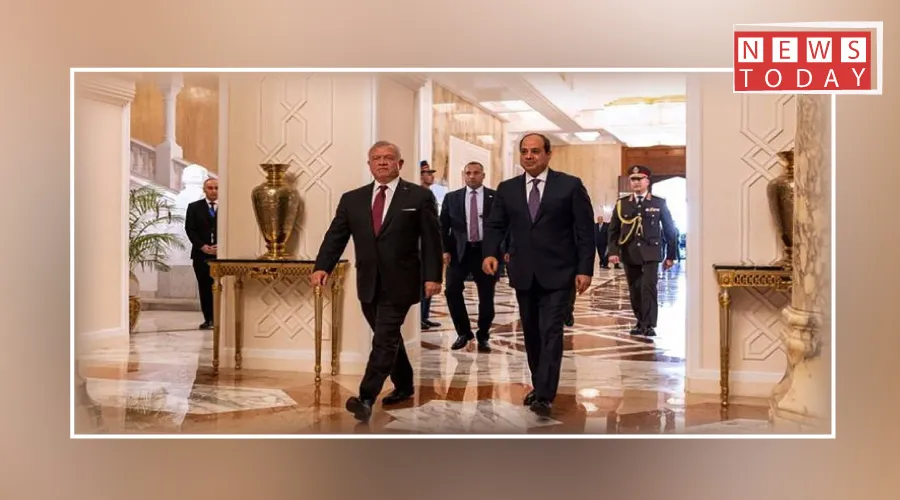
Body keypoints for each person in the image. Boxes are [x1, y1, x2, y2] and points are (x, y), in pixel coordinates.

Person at [311, 141, 443, 422]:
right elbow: (336, 235)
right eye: (376, 158)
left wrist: (433, 276)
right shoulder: (352, 199)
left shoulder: (419, 196)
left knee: (384, 338)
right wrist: (322, 266)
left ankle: (366, 397)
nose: (382, 162)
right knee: (389, 337)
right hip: (368, 282)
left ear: (399, 164)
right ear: (369, 164)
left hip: (402, 281)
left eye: (388, 158)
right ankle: (404, 384)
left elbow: (432, 239)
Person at [482, 132, 595, 417]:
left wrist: (585, 269)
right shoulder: (507, 189)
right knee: (531, 333)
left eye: (535, 151)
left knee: (551, 331)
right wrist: (490, 252)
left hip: (560, 272)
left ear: (548, 154)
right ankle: (539, 385)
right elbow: (495, 225)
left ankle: (544, 394)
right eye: (524, 151)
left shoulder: (569, 185)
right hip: (523, 272)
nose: (529, 156)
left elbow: (585, 230)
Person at [439, 161, 506, 353]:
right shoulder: (452, 198)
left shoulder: (495, 197)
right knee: (452, 291)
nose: (472, 176)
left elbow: (503, 226)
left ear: (483, 175)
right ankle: (463, 332)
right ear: (464, 175)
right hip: (459, 252)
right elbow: (443, 226)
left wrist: (500, 251)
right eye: (468, 173)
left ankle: (483, 335)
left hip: (486, 253)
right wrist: (444, 249)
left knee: (486, 295)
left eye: (476, 173)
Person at [607, 165, 678, 337]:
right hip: (630, 252)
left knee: (648, 288)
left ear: (647, 181)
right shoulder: (622, 204)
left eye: (640, 178)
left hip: (651, 253)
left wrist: (671, 255)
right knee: (635, 289)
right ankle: (640, 321)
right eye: (633, 179)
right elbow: (613, 230)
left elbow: (669, 230)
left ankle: (649, 324)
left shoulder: (658, 203)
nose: (636, 182)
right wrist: (613, 252)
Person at [184, 178, 218, 330]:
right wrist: (202, 246)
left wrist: (222, 246)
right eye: (210, 188)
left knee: (221, 287)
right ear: (204, 190)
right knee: (204, 287)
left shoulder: (227, 208)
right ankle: (208, 319)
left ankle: (221, 318)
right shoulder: (194, 207)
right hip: (201, 255)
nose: (214, 191)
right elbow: (190, 229)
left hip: (221, 255)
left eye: (216, 188)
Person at [418, 160, 444, 330]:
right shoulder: (419, 194)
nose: (431, 176)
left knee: (429, 281)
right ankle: (419, 317)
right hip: (421, 245)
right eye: (428, 173)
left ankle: (425, 316)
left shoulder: (429, 193)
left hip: (430, 243)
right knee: (422, 283)